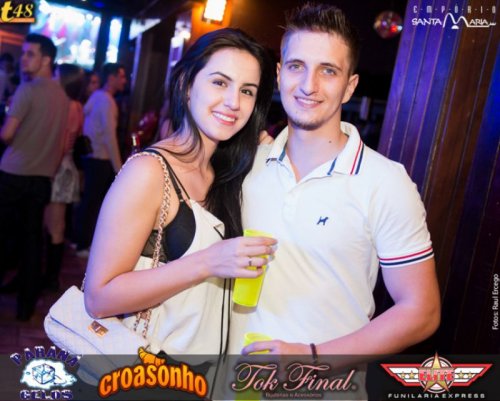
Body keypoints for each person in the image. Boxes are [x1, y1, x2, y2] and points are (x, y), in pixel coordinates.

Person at [232, 2, 440, 360]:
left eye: (328, 71)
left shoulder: (385, 182)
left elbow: (422, 311)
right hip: (233, 377)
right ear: (279, 74)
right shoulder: (247, 163)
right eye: (297, 66)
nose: (308, 85)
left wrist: (312, 356)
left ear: (349, 87)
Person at [84, 28, 276, 360]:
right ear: (187, 85)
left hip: (201, 373)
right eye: (220, 82)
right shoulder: (149, 171)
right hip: (146, 371)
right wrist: (208, 262)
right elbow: (99, 298)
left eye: (247, 91)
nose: (234, 102)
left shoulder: (224, 174)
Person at [0, 33, 69, 320]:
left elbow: (7, 134)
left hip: (13, 174)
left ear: (46, 60)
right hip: (41, 179)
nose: (23, 59)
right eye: (24, 53)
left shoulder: (26, 90)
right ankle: (26, 305)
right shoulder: (63, 97)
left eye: (30, 54)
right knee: (31, 242)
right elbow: (62, 143)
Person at [75, 63, 126, 257]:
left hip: (91, 157)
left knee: (88, 201)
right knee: (93, 204)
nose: (124, 81)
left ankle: (78, 240)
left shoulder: (96, 96)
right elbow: (109, 137)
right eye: (121, 76)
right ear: (111, 78)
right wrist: (119, 167)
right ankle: (83, 245)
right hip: (101, 159)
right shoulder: (107, 101)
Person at [43, 64, 85, 291]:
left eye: (57, 75)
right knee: (53, 224)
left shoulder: (69, 106)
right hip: (62, 166)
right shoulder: (74, 105)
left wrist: (50, 170)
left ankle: (50, 279)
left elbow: (64, 143)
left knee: (55, 226)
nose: (53, 78)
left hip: (59, 168)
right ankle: (48, 276)